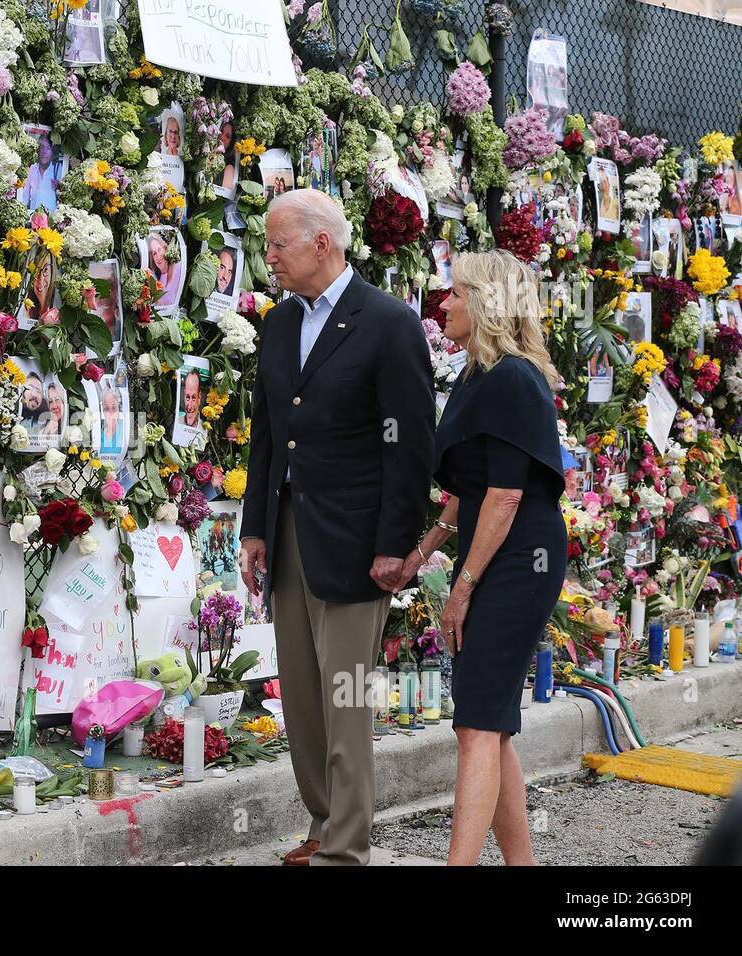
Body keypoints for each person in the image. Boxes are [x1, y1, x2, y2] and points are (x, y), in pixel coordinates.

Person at [239, 188, 435, 866]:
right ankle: (323, 824)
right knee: (301, 695)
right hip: (290, 530)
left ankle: (345, 850)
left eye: (277, 244)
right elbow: (268, 432)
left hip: (356, 540)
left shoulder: (387, 323)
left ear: (322, 244)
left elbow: (408, 446)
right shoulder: (279, 323)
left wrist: (396, 545)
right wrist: (254, 529)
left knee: (346, 696)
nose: (269, 258)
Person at [397, 250, 566, 866]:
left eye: (456, 294)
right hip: (496, 548)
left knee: (476, 724)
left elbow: (506, 494)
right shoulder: (480, 376)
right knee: (487, 720)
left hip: (521, 557)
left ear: (486, 302)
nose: (443, 304)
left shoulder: (513, 379)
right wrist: (425, 551)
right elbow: (468, 491)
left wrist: (462, 585)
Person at [22, 136, 62, 213]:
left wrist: (59, 186)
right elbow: (25, 194)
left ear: (52, 152)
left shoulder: (58, 169)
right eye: (42, 147)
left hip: (52, 218)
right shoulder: (33, 168)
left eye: (48, 148)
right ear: (38, 150)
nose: (44, 152)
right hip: (33, 217)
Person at [147, 232, 180, 312]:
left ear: (165, 249)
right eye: (154, 254)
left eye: (159, 249)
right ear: (153, 260)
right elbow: (160, 307)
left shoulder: (178, 267)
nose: (158, 256)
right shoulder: (160, 279)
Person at [99, 382, 126, 457]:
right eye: (107, 409)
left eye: (114, 408)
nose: (111, 412)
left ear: (119, 408)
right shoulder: (98, 428)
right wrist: (109, 429)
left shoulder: (125, 427)